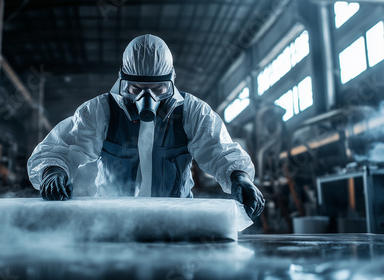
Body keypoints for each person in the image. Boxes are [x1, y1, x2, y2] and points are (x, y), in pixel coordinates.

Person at [27, 34, 265, 219]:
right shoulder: (100, 111)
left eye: (159, 90)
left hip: (177, 221)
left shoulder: (192, 112)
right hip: (111, 221)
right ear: (122, 80)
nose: (146, 99)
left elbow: (219, 149)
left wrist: (239, 176)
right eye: (135, 89)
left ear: (171, 80)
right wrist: (53, 171)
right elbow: (62, 147)